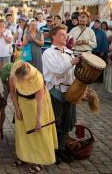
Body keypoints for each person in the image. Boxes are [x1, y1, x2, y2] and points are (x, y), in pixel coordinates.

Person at [9, 61, 58, 172]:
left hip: (38, 107)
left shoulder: (38, 78)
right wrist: (17, 109)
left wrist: (38, 121)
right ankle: (23, 157)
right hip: (22, 105)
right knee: (23, 133)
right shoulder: (14, 74)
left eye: (23, 79)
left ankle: (41, 161)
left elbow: (40, 103)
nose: (20, 81)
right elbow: (12, 93)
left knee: (39, 134)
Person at [42, 25, 80, 163]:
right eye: (62, 34)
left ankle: (62, 149)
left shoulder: (70, 52)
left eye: (66, 34)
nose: (66, 36)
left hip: (70, 92)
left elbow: (74, 74)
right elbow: (57, 71)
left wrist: (82, 88)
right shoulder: (48, 53)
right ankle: (52, 151)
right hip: (55, 91)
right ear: (53, 36)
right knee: (54, 123)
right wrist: (72, 62)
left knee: (66, 123)